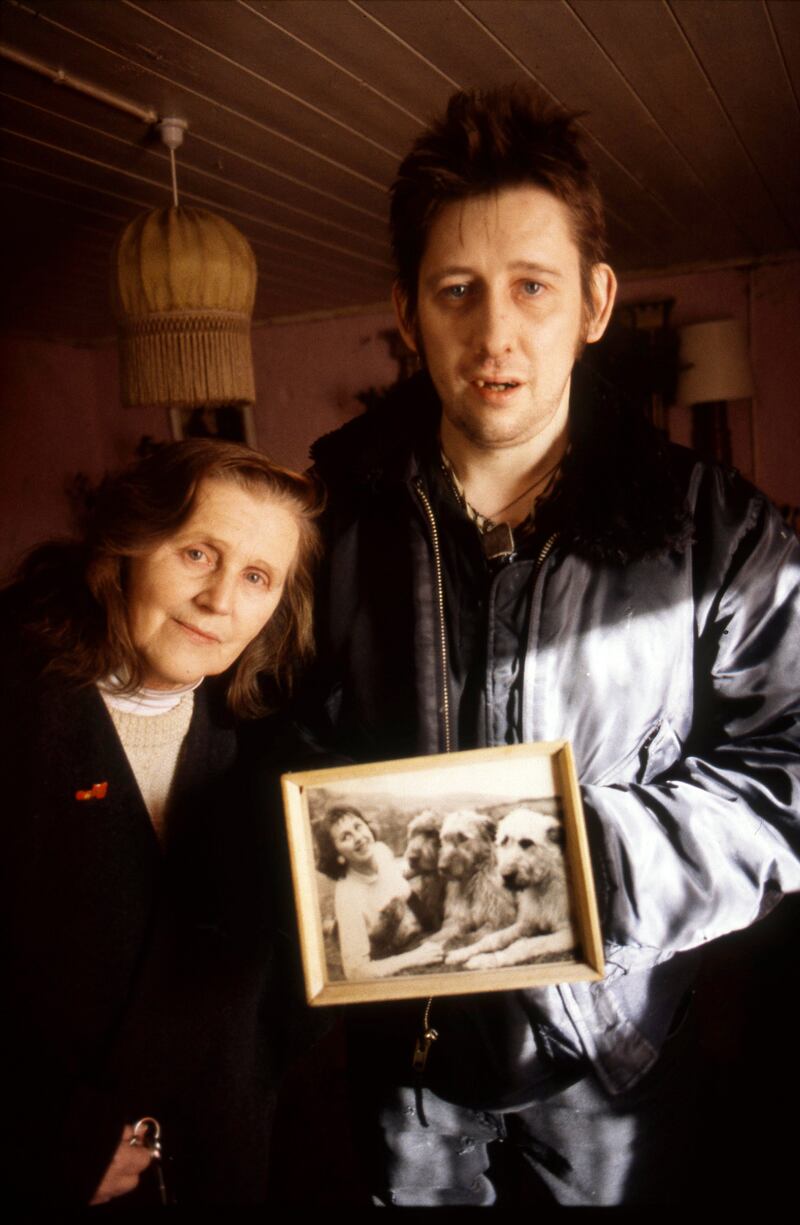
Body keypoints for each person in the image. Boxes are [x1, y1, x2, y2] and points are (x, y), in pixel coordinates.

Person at [304, 87, 800, 1205]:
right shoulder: (322, 518)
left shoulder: (716, 530)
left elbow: (790, 767)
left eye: (532, 286)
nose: (494, 334)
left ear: (593, 302)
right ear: (404, 310)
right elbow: (272, 728)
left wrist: (558, 874)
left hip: (611, 1061)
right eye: (455, 292)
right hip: (402, 1069)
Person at [1, 439, 322, 1209]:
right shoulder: (18, 709)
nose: (221, 601)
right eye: (197, 553)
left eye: (256, 577)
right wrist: (53, 1144)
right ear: (127, 547)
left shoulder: (267, 738)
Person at [314, 805, 442, 980]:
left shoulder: (380, 850)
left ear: (368, 827)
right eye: (346, 837)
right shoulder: (349, 897)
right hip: (392, 953)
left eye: (358, 826)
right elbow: (356, 972)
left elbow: (397, 875)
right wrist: (415, 958)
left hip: (419, 923)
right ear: (337, 854)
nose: (358, 838)